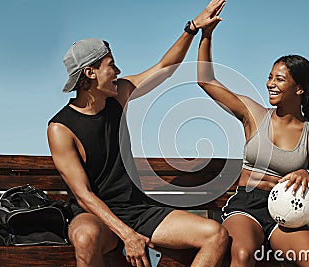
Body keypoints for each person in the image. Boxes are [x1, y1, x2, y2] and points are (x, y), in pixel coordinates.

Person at [47, 1, 229, 267]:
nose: (118, 71)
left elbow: (165, 67)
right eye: (111, 65)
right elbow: (84, 195)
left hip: (139, 210)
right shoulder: (60, 129)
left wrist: (192, 28)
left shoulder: (119, 95)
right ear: (90, 72)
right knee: (85, 238)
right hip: (96, 217)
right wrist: (126, 235)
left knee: (216, 235)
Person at [197, 21, 309, 266]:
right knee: (243, 254)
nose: (270, 84)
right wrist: (206, 34)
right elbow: (206, 81)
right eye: (269, 77)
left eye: (279, 79)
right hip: (246, 207)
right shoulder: (253, 114)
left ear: (299, 88)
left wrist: (305, 174)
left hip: (286, 215)